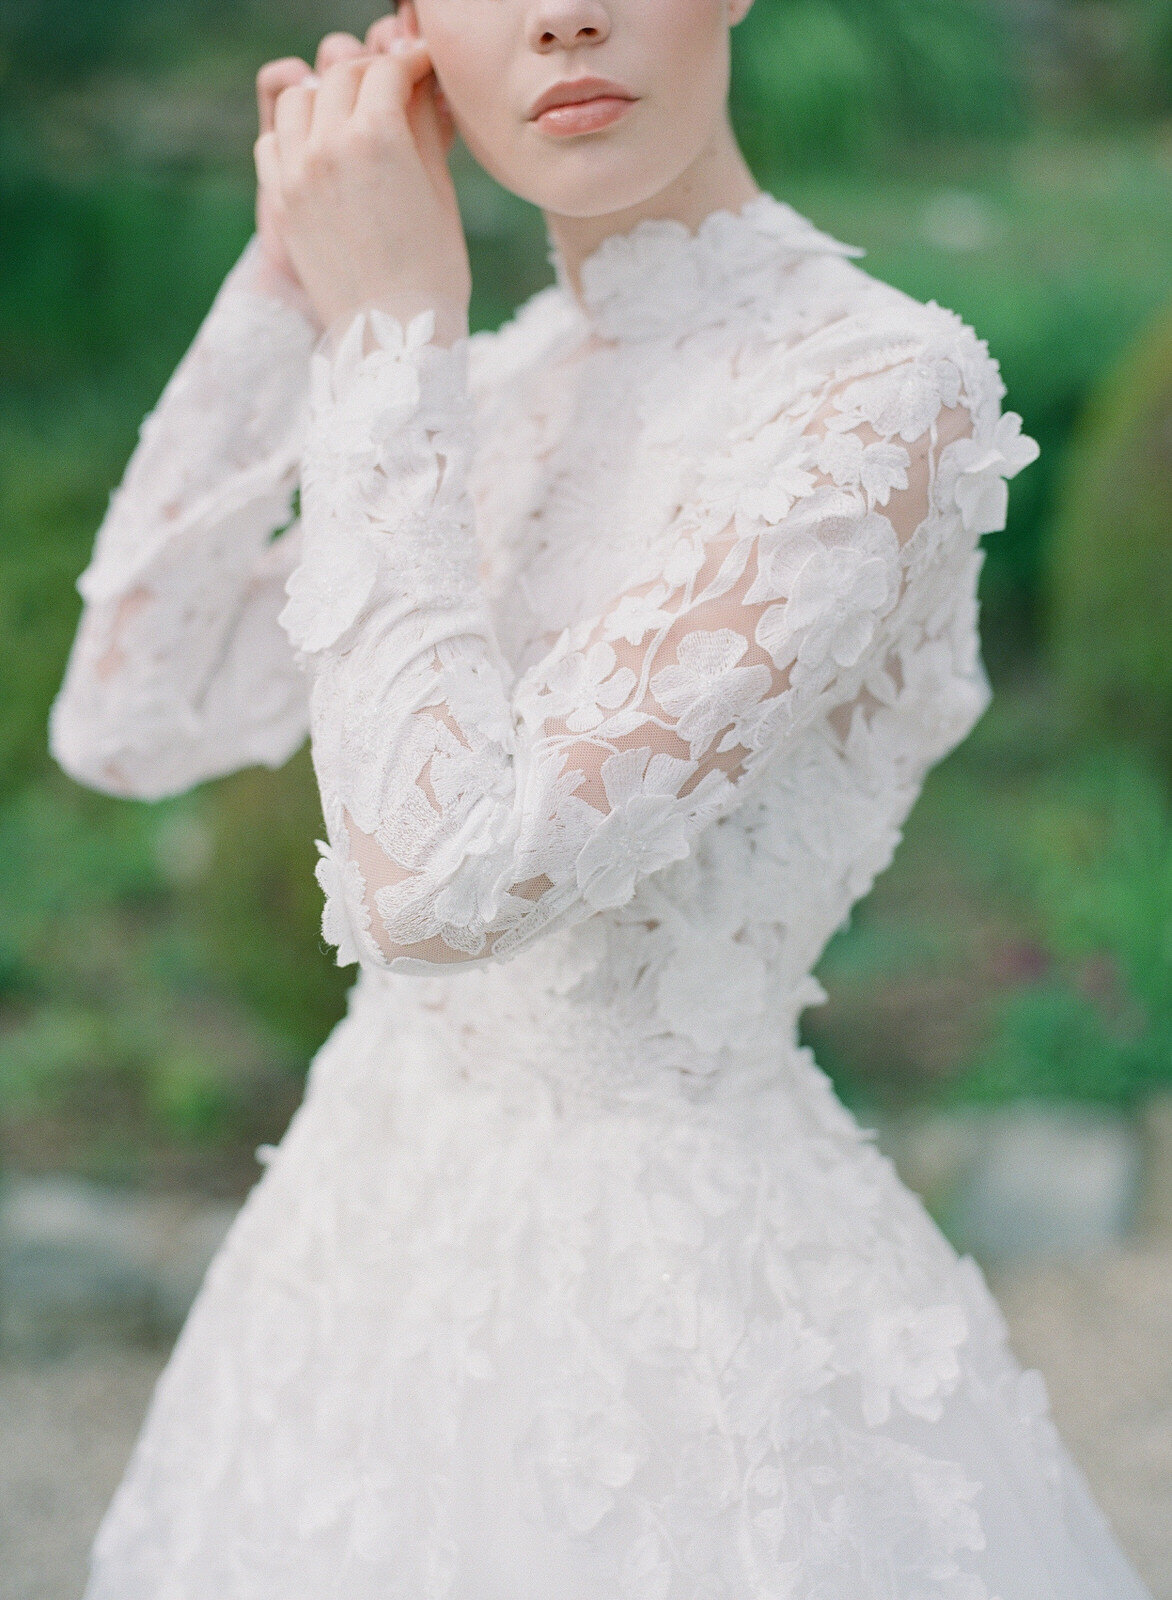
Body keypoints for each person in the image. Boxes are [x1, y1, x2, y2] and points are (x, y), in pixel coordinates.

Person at [48, 3, 1152, 1596]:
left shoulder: (872, 398)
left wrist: (385, 346)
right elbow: (126, 717)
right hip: (358, 1263)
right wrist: (302, 276)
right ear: (419, 36)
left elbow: (442, 886)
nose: (566, 14)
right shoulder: (478, 384)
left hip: (678, 1346)